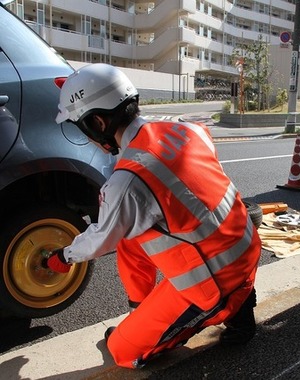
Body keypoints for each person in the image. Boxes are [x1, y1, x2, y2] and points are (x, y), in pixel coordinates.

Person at [47, 63, 262, 369]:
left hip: (214, 283)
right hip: (245, 246)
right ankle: (146, 312)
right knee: (131, 238)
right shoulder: (187, 129)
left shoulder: (129, 180)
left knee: (121, 349)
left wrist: (62, 257)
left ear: (97, 122)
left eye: (82, 129)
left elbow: (99, 240)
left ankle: (222, 312)